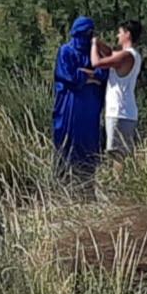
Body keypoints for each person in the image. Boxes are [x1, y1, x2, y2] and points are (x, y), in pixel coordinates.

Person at [52, 16, 107, 175]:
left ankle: (87, 178)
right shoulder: (66, 51)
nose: (86, 38)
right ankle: (65, 177)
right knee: (67, 142)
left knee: (88, 145)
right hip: (69, 106)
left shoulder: (94, 53)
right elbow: (68, 76)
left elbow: (103, 73)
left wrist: (85, 74)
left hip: (90, 107)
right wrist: (91, 77)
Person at [92, 19, 143, 156]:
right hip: (126, 113)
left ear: (127, 34)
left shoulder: (126, 55)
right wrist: (100, 43)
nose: (117, 36)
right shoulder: (133, 55)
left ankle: (118, 172)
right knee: (123, 155)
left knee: (117, 156)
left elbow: (97, 62)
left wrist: (94, 44)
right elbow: (110, 53)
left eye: (120, 32)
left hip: (119, 113)